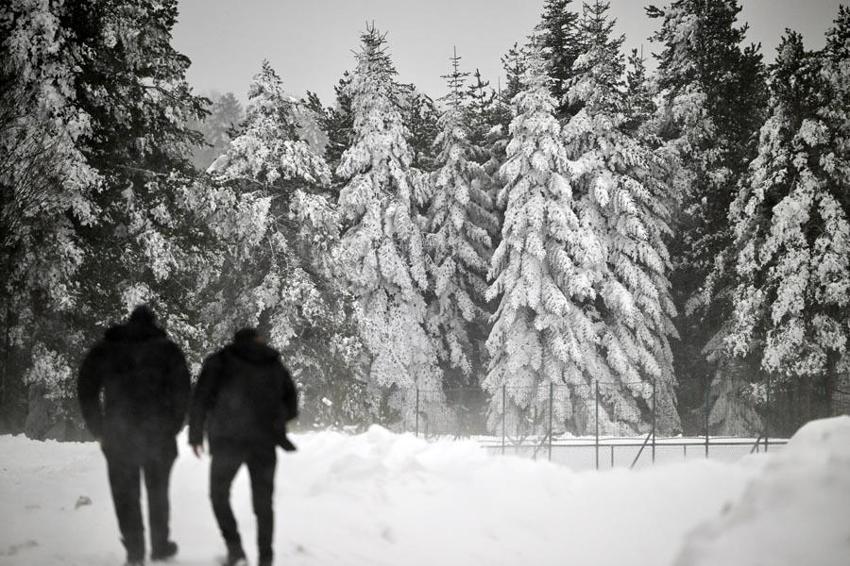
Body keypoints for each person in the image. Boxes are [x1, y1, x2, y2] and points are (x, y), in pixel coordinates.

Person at [78, 305, 190, 566]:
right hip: (158, 434)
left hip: (118, 434)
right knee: (158, 493)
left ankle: (135, 552)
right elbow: (183, 391)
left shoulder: (106, 349)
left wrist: (99, 428)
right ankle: (160, 546)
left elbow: (86, 388)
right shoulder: (168, 350)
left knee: (125, 495)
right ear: (153, 324)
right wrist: (172, 426)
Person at [189, 328, 298, 566]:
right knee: (263, 504)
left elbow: (200, 399)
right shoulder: (272, 363)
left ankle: (235, 550)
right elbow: (292, 402)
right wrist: (276, 421)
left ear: (235, 341)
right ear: (258, 341)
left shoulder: (219, 361)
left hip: (228, 441)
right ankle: (266, 558)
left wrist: (196, 434)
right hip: (264, 442)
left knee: (218, 494)